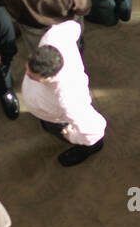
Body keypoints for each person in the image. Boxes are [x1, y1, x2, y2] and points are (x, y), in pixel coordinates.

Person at [21, 21, 106, 167]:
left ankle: (89, 149)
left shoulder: (69, 99)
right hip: (47, 112)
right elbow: (74, 26)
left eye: (33, 77)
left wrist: (73, 136)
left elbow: (95, 130)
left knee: (63, 131)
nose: (27, 73)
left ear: (51, 77)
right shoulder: (54, 37)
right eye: (27, 68)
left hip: (59, 120)